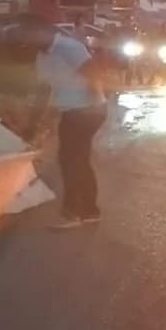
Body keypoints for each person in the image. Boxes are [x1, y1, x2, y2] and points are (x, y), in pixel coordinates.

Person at [21, 13, 107, 228]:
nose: (27, 40)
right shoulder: (43, 56)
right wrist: (32, 123)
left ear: (44, 32)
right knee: (77, 160)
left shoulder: (68, 47)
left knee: (71, 160)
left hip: (85, 111)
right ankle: (89, 211)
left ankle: (74, 213)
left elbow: (93, 72)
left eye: (31, 34)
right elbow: (43, 90)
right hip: (75, 111)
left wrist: (91, 104)